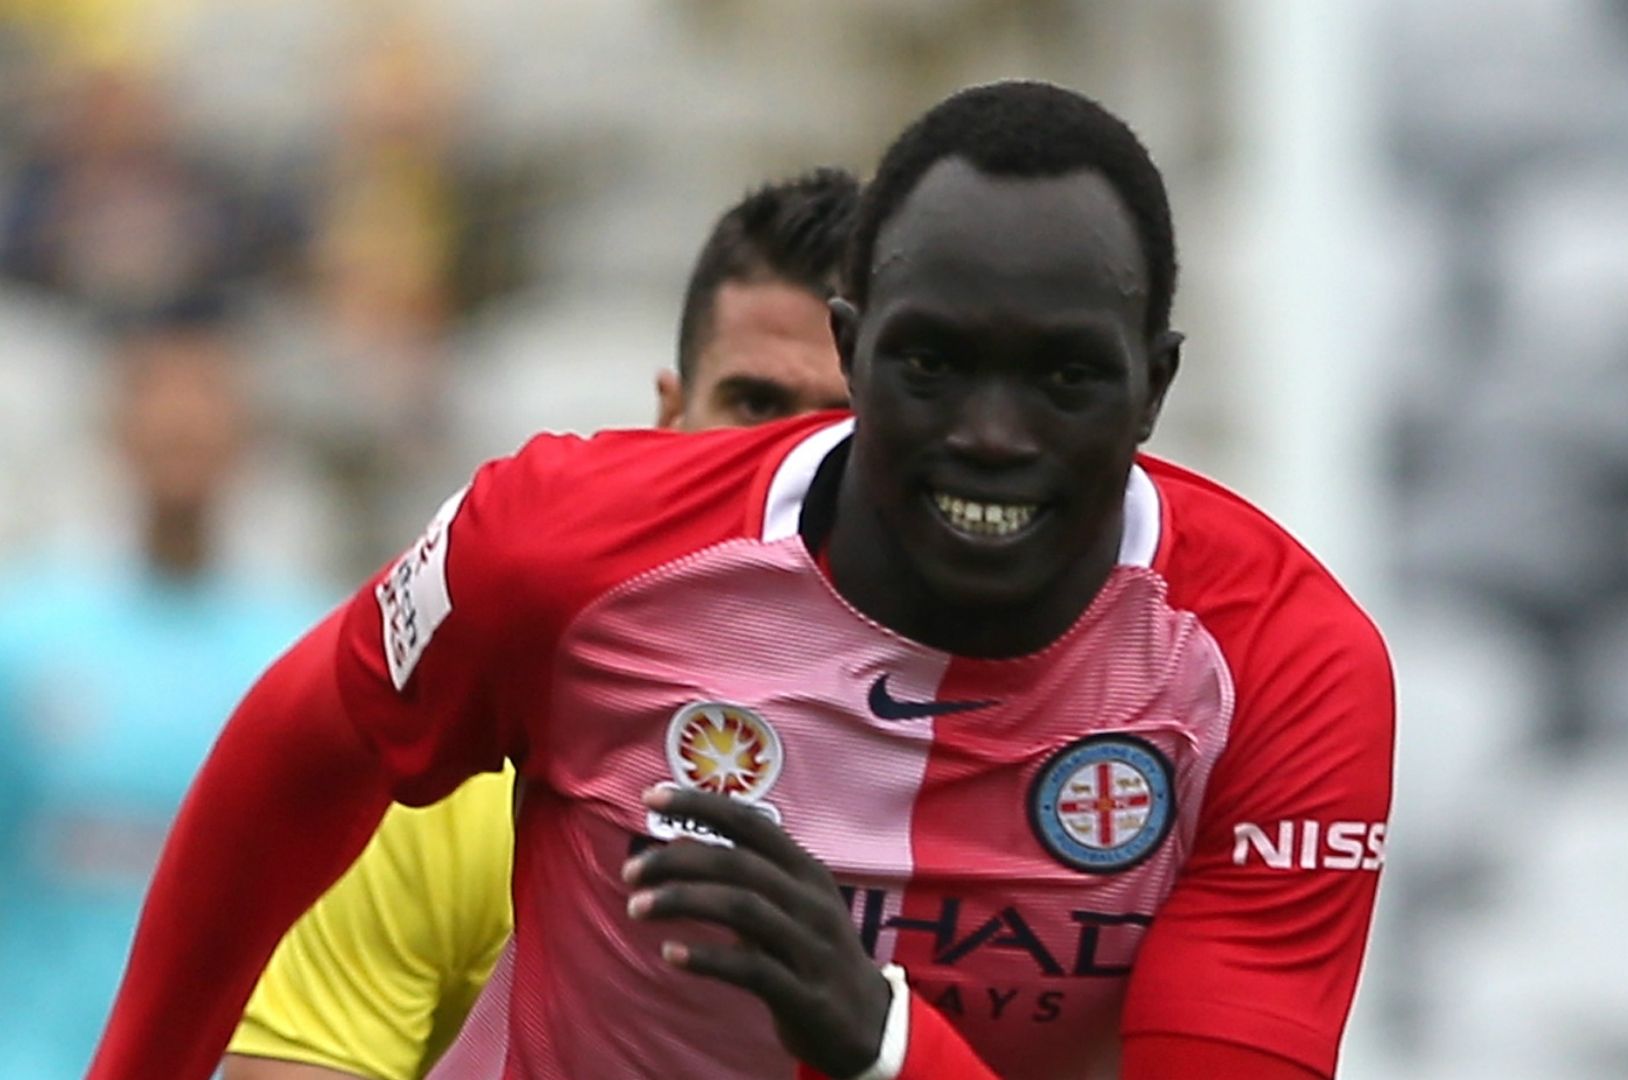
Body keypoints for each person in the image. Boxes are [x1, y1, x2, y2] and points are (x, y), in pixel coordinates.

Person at [90, 81, 1393, 1080]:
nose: (993, 436)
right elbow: (301, 742)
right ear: (854, 345)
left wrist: (882, 1037)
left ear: (1157, 384)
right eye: (933, 364)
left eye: (1064, 377)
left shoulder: (1283, 669)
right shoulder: (562, 550)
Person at [223, 167, 861, 1080]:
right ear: (667, 418)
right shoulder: (466, 772)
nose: (785, 467)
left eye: (837, 426)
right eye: (754, 406)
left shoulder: (1010, 775)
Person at [0, 319, 323, 1079]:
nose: (183, 421)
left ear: (249, 432)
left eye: (207, 396)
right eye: (158, 395)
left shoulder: (307, 652)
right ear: (116, 427)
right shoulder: (22, 634)